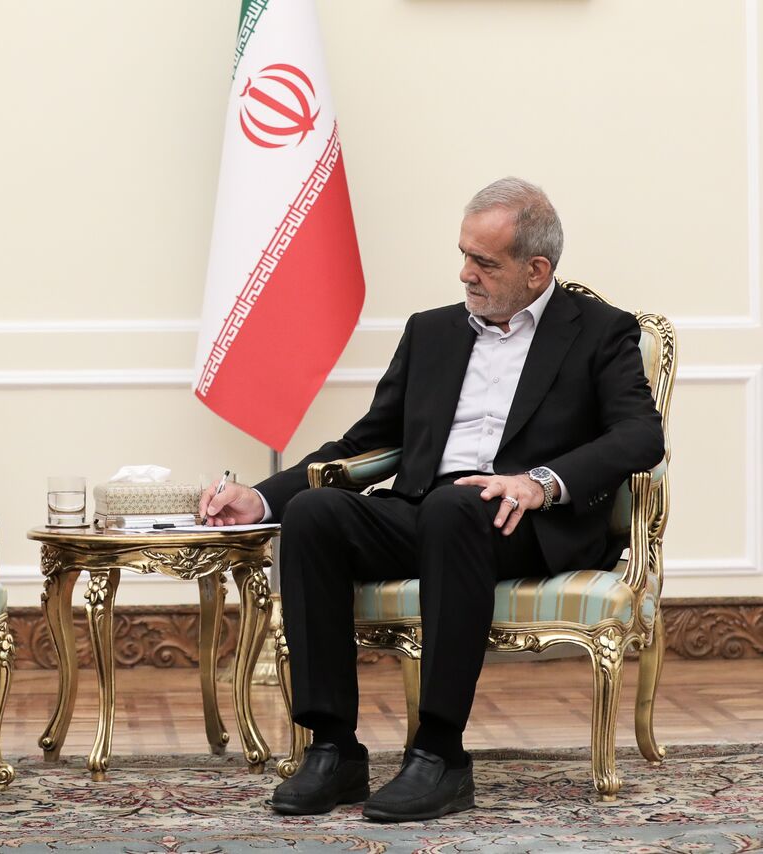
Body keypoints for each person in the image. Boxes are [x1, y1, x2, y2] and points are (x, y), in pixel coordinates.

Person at [199, 177, 665, 822]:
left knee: (455, 509)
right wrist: (261, 496)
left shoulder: (600, 332)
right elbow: (366, 441)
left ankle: (440, 754)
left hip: (521, 519)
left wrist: (540, 482)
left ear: (536, 270)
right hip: (425, 508)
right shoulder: (432, 331)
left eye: (484, 262)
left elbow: (640, 435)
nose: (465, 273)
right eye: (464, 255)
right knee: (313, 513)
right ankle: (333, 748)